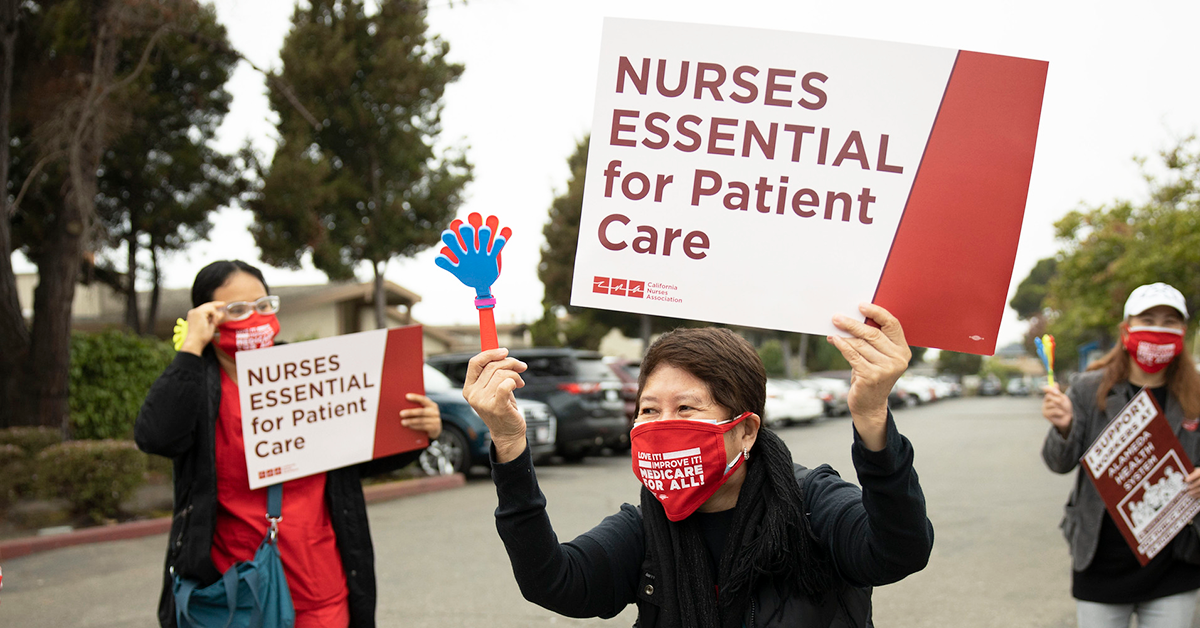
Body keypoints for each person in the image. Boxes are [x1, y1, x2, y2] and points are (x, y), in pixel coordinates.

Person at [463, 303, 934, 627]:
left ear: (745, 431)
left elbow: (898, 550)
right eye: (649, 410)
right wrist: (509, 443)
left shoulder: (813, 504)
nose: (663, 425)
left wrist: (872, 417)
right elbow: (553, 581)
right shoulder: (645, 528)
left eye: (686, 409)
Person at [135, 260, 442, 628]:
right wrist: (190, 348)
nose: (255, 318)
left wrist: (419, 431)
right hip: (233, 595)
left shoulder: (309, 371)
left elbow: (356, 458)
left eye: (264, 305)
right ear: (208, 317)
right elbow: (155, 436)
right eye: (237, 310)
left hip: (319, 591)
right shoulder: (196, 384)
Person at [1042, 282, 1200, 628]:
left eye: (1169, 320)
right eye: (1148, 318)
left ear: (1183, 331)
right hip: (1101, 562)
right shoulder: (1088, 387)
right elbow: (1058, 463)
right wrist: (1065, 427)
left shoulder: (1197, 394)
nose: (1158, 328)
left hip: (1176, 562)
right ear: (1127, 327)